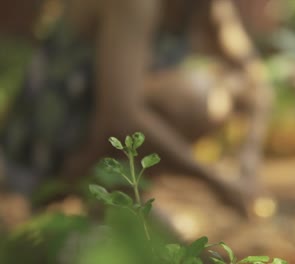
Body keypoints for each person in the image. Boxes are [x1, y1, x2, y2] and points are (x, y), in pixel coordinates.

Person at [0, 0, 277, 216]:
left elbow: (254, 81)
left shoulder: (203, 5)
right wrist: (215, 181)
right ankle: (94, 199)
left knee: (219, 91)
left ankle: (120, 199)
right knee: (191, 97)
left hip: (95, 129)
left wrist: (248, 162)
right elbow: (120, 116)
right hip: (44, 153)